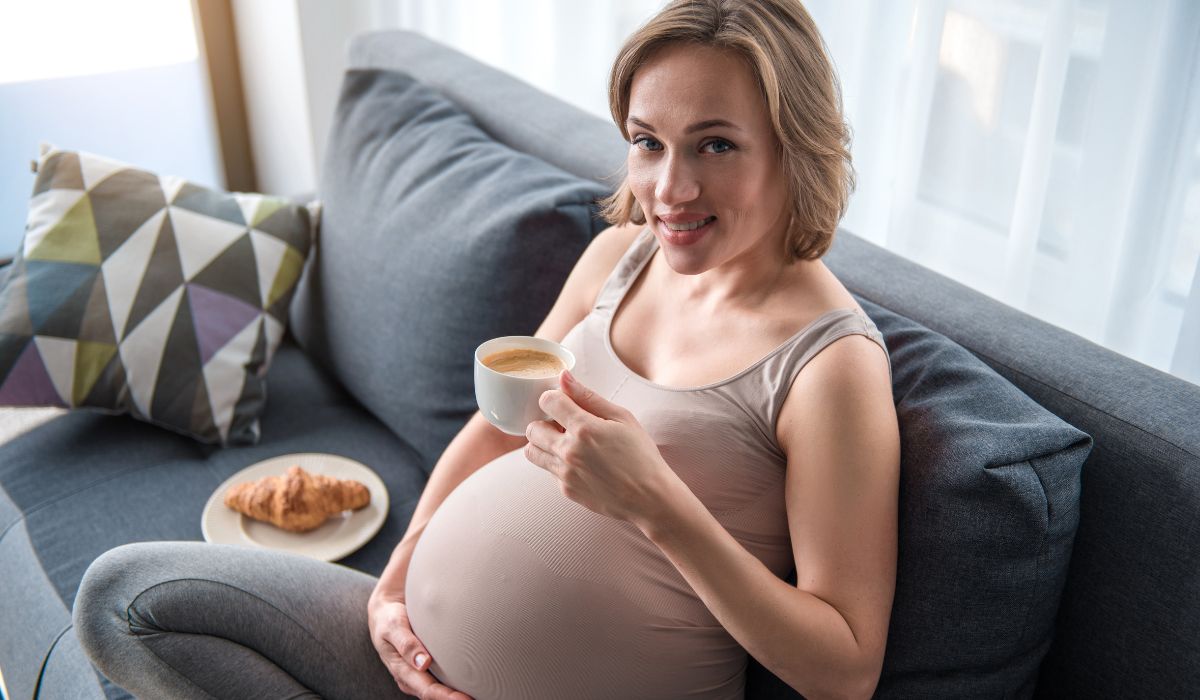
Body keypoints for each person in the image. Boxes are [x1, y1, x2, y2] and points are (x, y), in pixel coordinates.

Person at [72, 0, 899, 698]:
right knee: (120, 598)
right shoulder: (624, 254)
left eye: (715, 144)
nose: (669, 189)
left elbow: (845, 668)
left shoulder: (830, 368)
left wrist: (658, 504)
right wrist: (398, 576)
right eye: (648, 141)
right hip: (409, 651)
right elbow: (502, 423)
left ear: (795, 147)